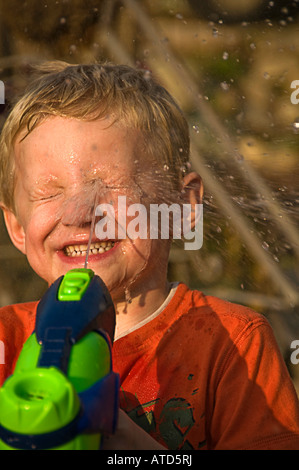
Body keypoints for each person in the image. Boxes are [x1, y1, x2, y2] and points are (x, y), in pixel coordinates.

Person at [0, 61, 299, 450]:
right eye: (48, 193)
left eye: (107, 185)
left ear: (181, 205)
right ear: (17, 227)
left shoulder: (233, 344)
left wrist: (120, 438)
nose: (78, 213)